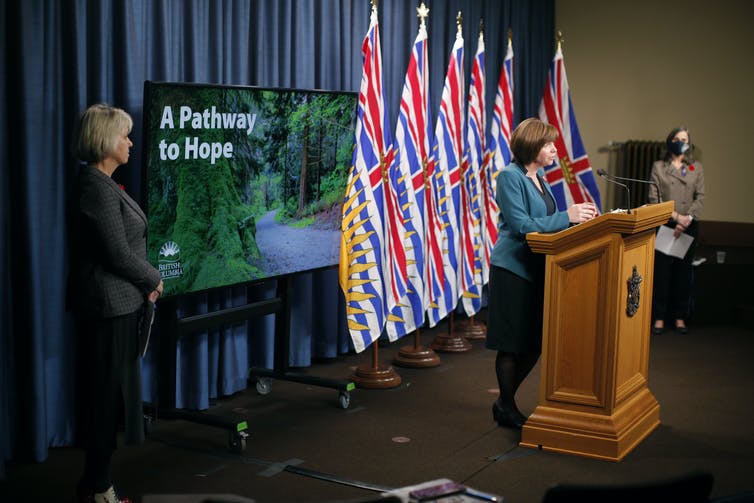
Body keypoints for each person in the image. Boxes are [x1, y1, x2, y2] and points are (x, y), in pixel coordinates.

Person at [67, 104, 164, 503]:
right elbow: (117, 254)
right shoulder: (93, 187)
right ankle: (98, 488)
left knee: (110, 400)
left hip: (122, 306)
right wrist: (153, 278)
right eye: (124, 135)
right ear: (106, 141)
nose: (129, 142)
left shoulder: (106, 184)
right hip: (107, 309)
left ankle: (96, 485)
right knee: (103, 400)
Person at [486, 118, 597, 429]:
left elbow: (548, 224)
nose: (554, 149)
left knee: (535, 342)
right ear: (532, 146)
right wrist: (568, 215)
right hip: (513, 269)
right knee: (512, 343)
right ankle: (506, 406)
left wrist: (577, 222)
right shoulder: (509, 176)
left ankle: (503, 401)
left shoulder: (540, 178)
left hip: (538, 268)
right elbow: (522, 226)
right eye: (548, 144)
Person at [648, 127, 704, 335]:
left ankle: (680, 317)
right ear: (669, 141)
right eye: (676, 138)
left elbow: (700, 197)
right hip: (665, 222)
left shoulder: (695, 167)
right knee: (661, 273)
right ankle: (659, 317)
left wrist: (686, 219)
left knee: (683, 273)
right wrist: (675, 217)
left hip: (688, 225)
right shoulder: (659, 166)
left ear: (689, 144)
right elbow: (654, 198)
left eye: (684, 139)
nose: (680, 142)